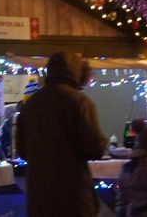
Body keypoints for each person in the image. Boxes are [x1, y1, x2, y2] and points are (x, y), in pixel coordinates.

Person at [16, 51, 107, 217]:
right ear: (77, 72)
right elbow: (95, 148)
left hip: (39, 198)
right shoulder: (80, 102)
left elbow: (22, 151)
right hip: (73, 198)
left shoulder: (30, 105)